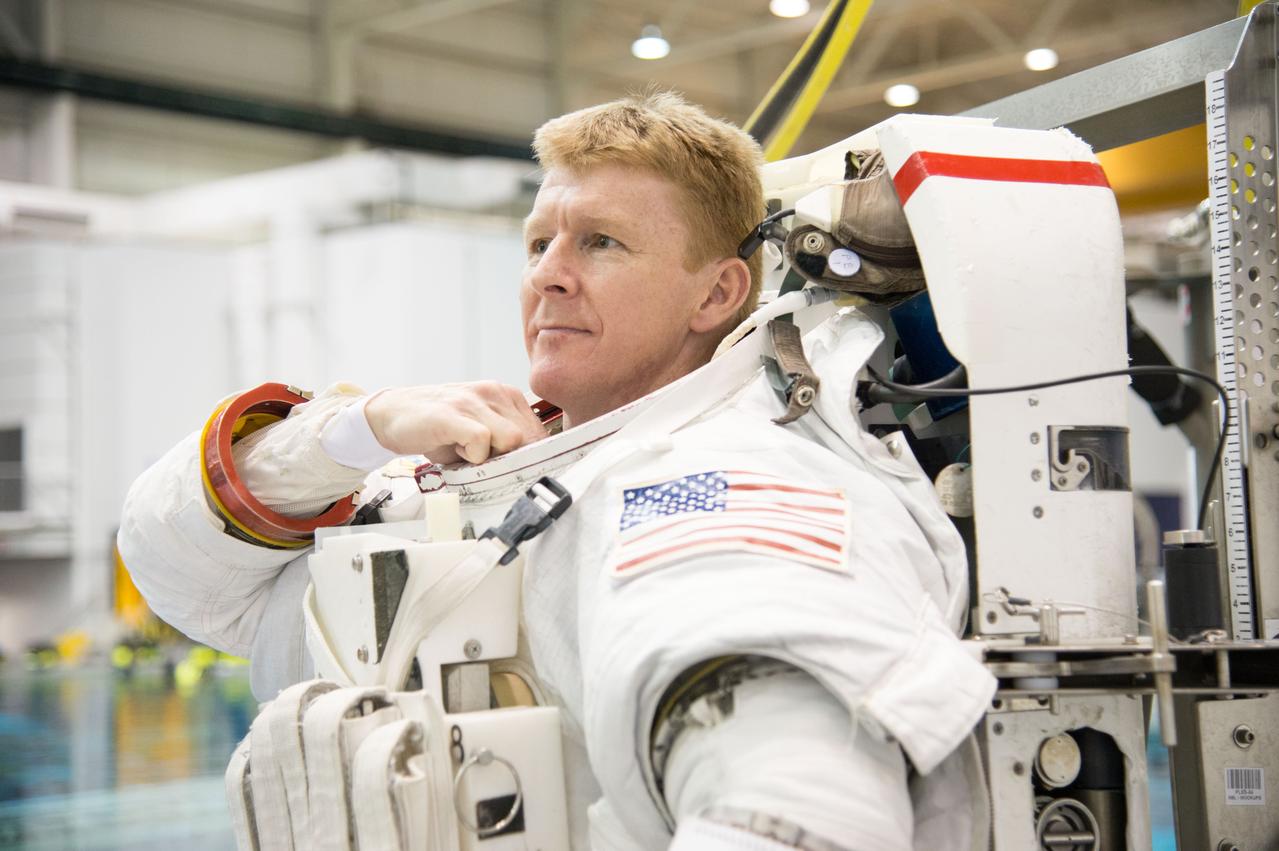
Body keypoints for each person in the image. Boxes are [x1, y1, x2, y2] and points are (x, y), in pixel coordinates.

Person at [119, 91, 994, 850]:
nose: (549, 276)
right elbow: (178, 572)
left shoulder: (717, 486)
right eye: (539, 242)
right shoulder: (474, 472)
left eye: (600, 242)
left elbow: (796, 801)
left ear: (718, 293)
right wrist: (355, 432)